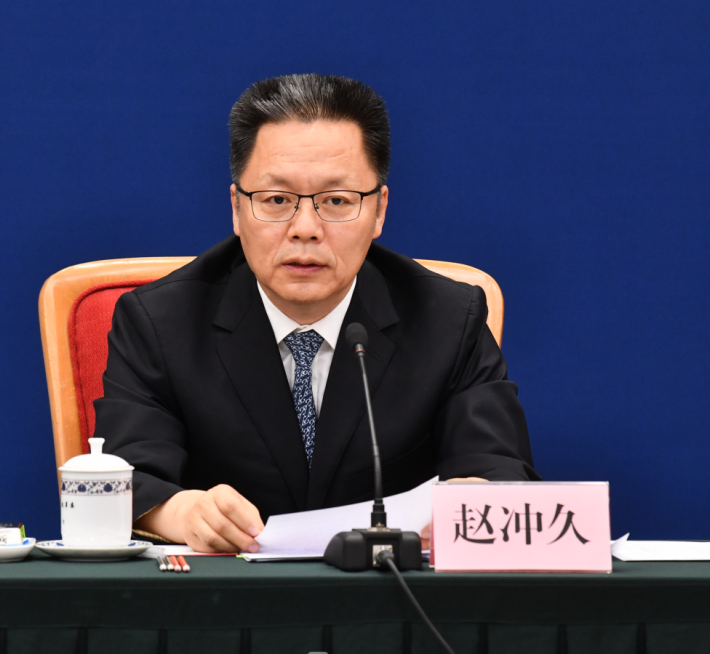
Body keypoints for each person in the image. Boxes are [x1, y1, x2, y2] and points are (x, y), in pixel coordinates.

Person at [95, 74, 539, 554]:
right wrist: (182, 512)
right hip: (226, 591)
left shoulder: (448, 320)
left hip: (389, 592)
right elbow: (124, 478)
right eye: (276, 200)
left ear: (379, 211)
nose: (305, 228)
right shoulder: (161, 322)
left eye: (336, 201)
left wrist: (474, 499)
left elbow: (500, 469)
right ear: (237, 208)